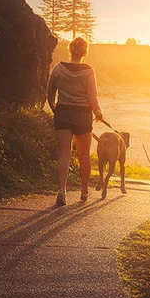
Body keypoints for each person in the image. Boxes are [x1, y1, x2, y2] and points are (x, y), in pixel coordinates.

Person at [47, 37, 103, 206]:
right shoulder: (88, 71)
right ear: (85, 52)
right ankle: (84, 191)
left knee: (64, 153)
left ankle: (62, 191)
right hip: (82, 116)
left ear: (70, 50)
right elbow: (91, 96)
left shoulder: (58, 69)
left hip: (63, 114)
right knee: (84, 156)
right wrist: (98, 113)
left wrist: (55, 108)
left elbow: (50, 92)